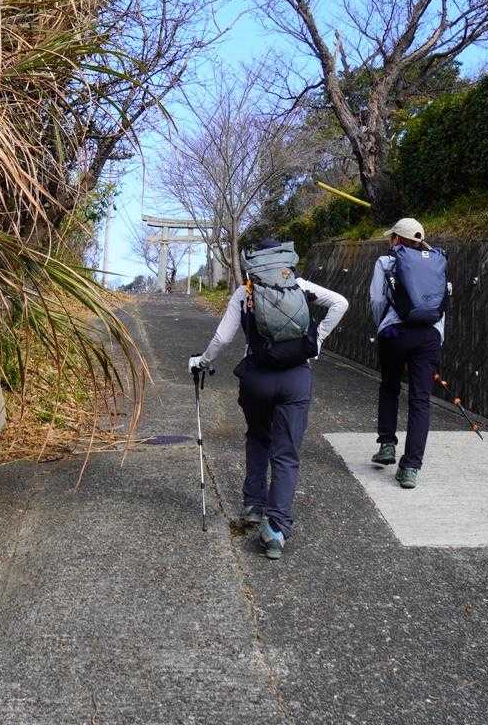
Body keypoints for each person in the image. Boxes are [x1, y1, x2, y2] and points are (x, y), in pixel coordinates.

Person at [192, 238, 348, 560]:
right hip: (296, 378)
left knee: (258, 437)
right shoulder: (299, 286)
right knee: (286, 453)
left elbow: (222, 337)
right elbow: (340, 303)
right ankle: (276, 529)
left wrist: (202, 361)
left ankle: (253, 505)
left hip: (257, 379)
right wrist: (317, 340)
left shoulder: (245, 291)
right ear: (284, 261)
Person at [368, 217, 449, 489]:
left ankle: (387, 445)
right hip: (429, 335)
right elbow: (442, 303)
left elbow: (377, 299)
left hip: (395, 333)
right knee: (420, 400)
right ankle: (411, 468)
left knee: (390, 386)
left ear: (395, 239)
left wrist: (382, 326)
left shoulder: (386, 262)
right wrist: (437, 336)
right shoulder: (437, 261)